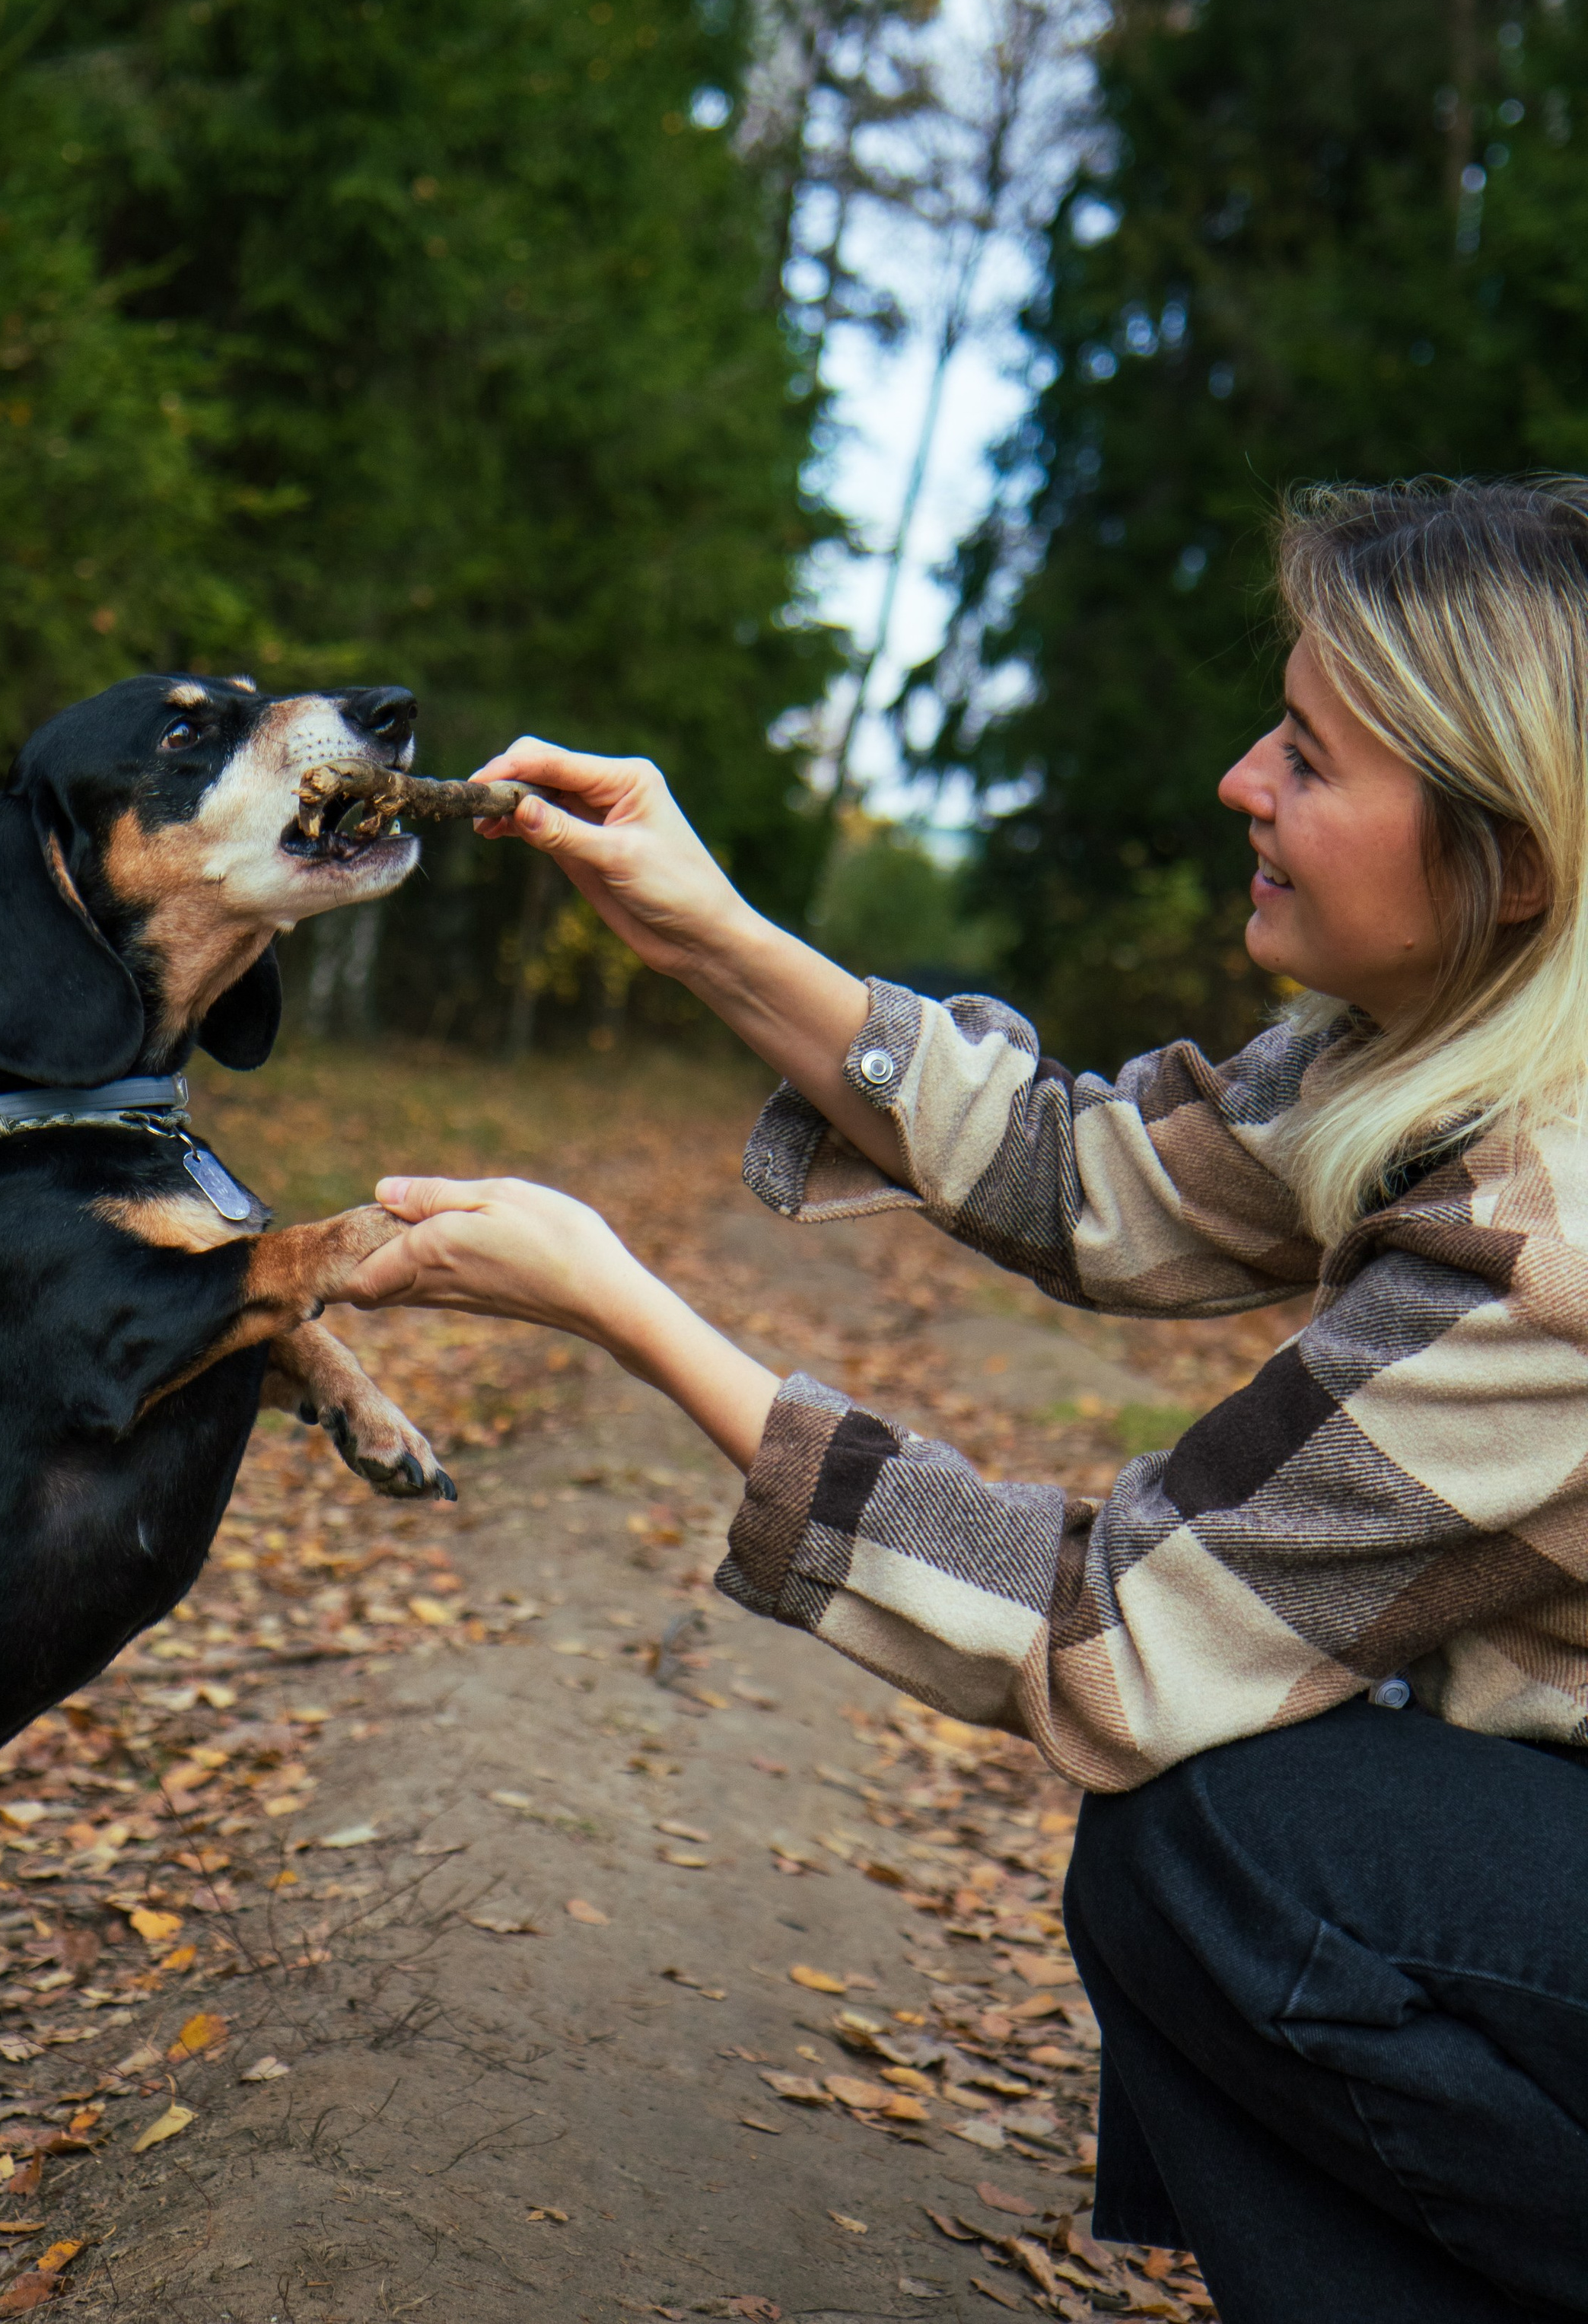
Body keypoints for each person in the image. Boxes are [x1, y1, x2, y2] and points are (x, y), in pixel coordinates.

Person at [331, 479, 1588, 2324]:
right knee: (1235, 1836)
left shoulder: (1548, 1247)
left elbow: (1108, 1637)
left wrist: (618, 1306)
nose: (1241, 780)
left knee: (1235, 1842)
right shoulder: (1451, 1050)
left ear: (1518, 859)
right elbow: (1098, 1181)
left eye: (1309, 761)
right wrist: (703, 929)